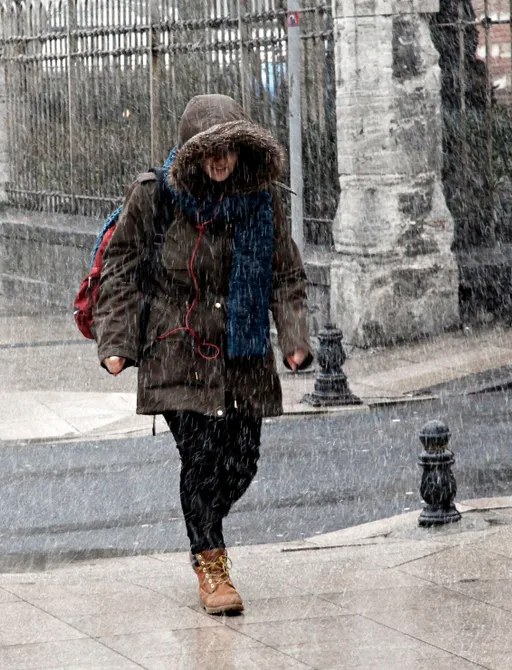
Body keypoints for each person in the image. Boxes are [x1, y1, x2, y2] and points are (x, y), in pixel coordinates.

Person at [95, 94, 313, 615]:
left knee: (242, 462)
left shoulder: (262, 200)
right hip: (176, 349)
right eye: (210, 151)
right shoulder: (155, 196)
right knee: (201, 458)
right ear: (192, 153)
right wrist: (118, 343)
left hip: (244, 356)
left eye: (230, 150)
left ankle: (202, 525)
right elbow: (120, 269)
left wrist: (295, 339)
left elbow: (285, 274)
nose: (220, 161)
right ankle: (211, 564)